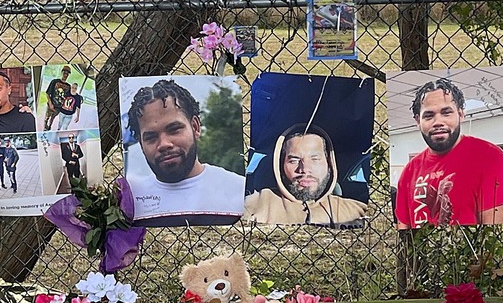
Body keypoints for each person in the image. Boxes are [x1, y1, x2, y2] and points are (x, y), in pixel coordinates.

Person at [393, 78, 503, 227]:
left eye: (446, 113)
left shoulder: (490, 157)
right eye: (429, 115)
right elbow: (403, 228)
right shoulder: (410, 171)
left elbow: (491, 236)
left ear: (461, 114)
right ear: (418, 120)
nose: (438, 122)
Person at [124, 78, 246, 223]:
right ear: (141, 143)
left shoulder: (240, 191)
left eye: (174, 130)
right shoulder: (129, 200)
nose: (164, 144)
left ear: (195, 127)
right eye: (151, 137)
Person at [243, 122, 367, 227]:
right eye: (294, 160)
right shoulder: (253, 206)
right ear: (280, 165)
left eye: (315, 159)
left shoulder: (357, 212)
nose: (305, 169)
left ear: (329, 163)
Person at [43, 65, 77, 130]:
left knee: (53, 118)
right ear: (62, 72)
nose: (65, 75)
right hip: (52, 104)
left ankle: (49, 126)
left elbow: (68, 98)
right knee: (47, 117)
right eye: (64, 73)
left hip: (59, 107)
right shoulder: (55, 81)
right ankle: (45, 127)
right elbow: (47, 93)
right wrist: (50, 103)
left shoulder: (68, 86)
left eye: (67, 73)